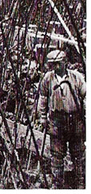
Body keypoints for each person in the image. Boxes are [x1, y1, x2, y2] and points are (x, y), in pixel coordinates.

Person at [37, 49, 85, 189]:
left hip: (75, 120)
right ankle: (57, 184)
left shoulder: (76, 77)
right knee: (57, 155)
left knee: (79, 154)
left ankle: (81, 183)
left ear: (65, 62)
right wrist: (43, 117)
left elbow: (86, 94)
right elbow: (43, 99)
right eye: (53, 65)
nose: (56, 67)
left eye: (58, 64)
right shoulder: (48, 78)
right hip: (57, 121)